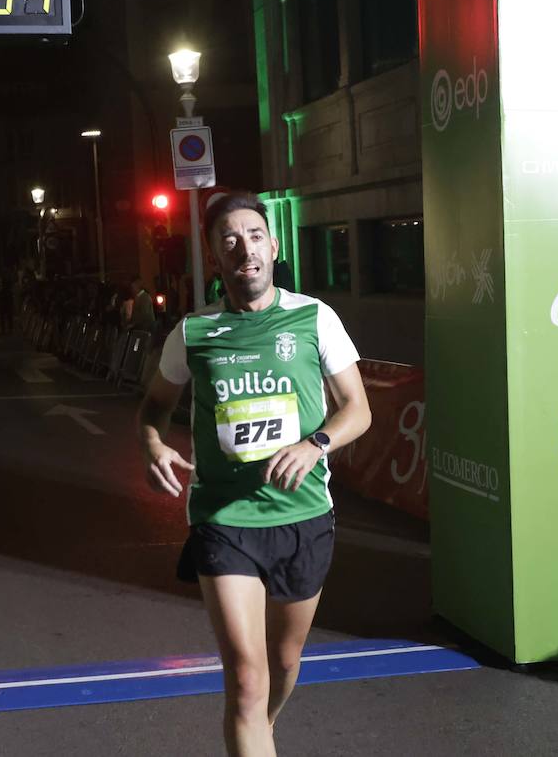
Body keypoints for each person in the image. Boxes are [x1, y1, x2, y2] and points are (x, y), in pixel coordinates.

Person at [136, 191, 371, 757]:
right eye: (229, 240)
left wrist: (316, 444)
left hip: (304, 516)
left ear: (274, 245)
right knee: (246, 677)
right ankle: (251, 727)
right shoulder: (192, 333)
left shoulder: (315, 318)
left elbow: (357, 410)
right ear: (215, 257)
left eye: (255, 235)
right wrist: (152, 444)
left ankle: (261, 729)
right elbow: (154, 407)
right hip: (223, 519)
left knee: (284, 663)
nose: (245, 248)